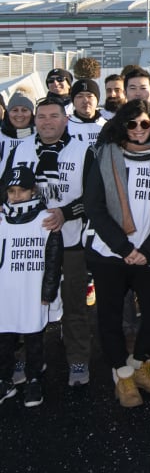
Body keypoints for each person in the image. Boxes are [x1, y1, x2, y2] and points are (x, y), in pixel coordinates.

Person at [84, 100, 150, 407]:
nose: (137, 130)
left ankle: (138, 364)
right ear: (121, 126)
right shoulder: (104, 156)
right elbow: (94, 208)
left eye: (144, 124)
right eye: (131, 124)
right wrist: (124, 248)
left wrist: (147, 249)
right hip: (111, 253)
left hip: (148, 253)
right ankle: (121, 374)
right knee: (109, 317)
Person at [3, 96, 95, 386]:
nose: (46, 122)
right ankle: (24, 357)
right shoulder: (20, 150)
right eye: (41, 117)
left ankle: (78, 359)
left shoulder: (83, 151)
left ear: (65, 120)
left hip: (70, 240)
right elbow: (4, 190)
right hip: (26, 245)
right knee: (23, 303)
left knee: (74, 304)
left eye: (53, 116)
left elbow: (93, 199)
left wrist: (65, 212)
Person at [0, 165, 63, 408]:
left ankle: (34, 378)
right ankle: (5, 380)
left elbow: (53, 259)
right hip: (6, 292)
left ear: (33, 191)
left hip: (32, 291)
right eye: (12, 191)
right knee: (4, 339)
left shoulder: (45, 220)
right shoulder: (3, 220)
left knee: (34, 338)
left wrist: (49, 290)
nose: (16, 196)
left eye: (22, 191)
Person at [0, 90, 35, 173]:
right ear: (8, 113)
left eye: (24, 110)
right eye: (15, 110)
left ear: (31, 113)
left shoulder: (41, 136)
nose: (19, 114)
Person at [67, 79, 106, 145]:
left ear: (97, 100)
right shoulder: (64, 127)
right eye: (80, 96)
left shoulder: (107, 126)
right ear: (73, 101)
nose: (85, 100)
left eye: (90, 96)